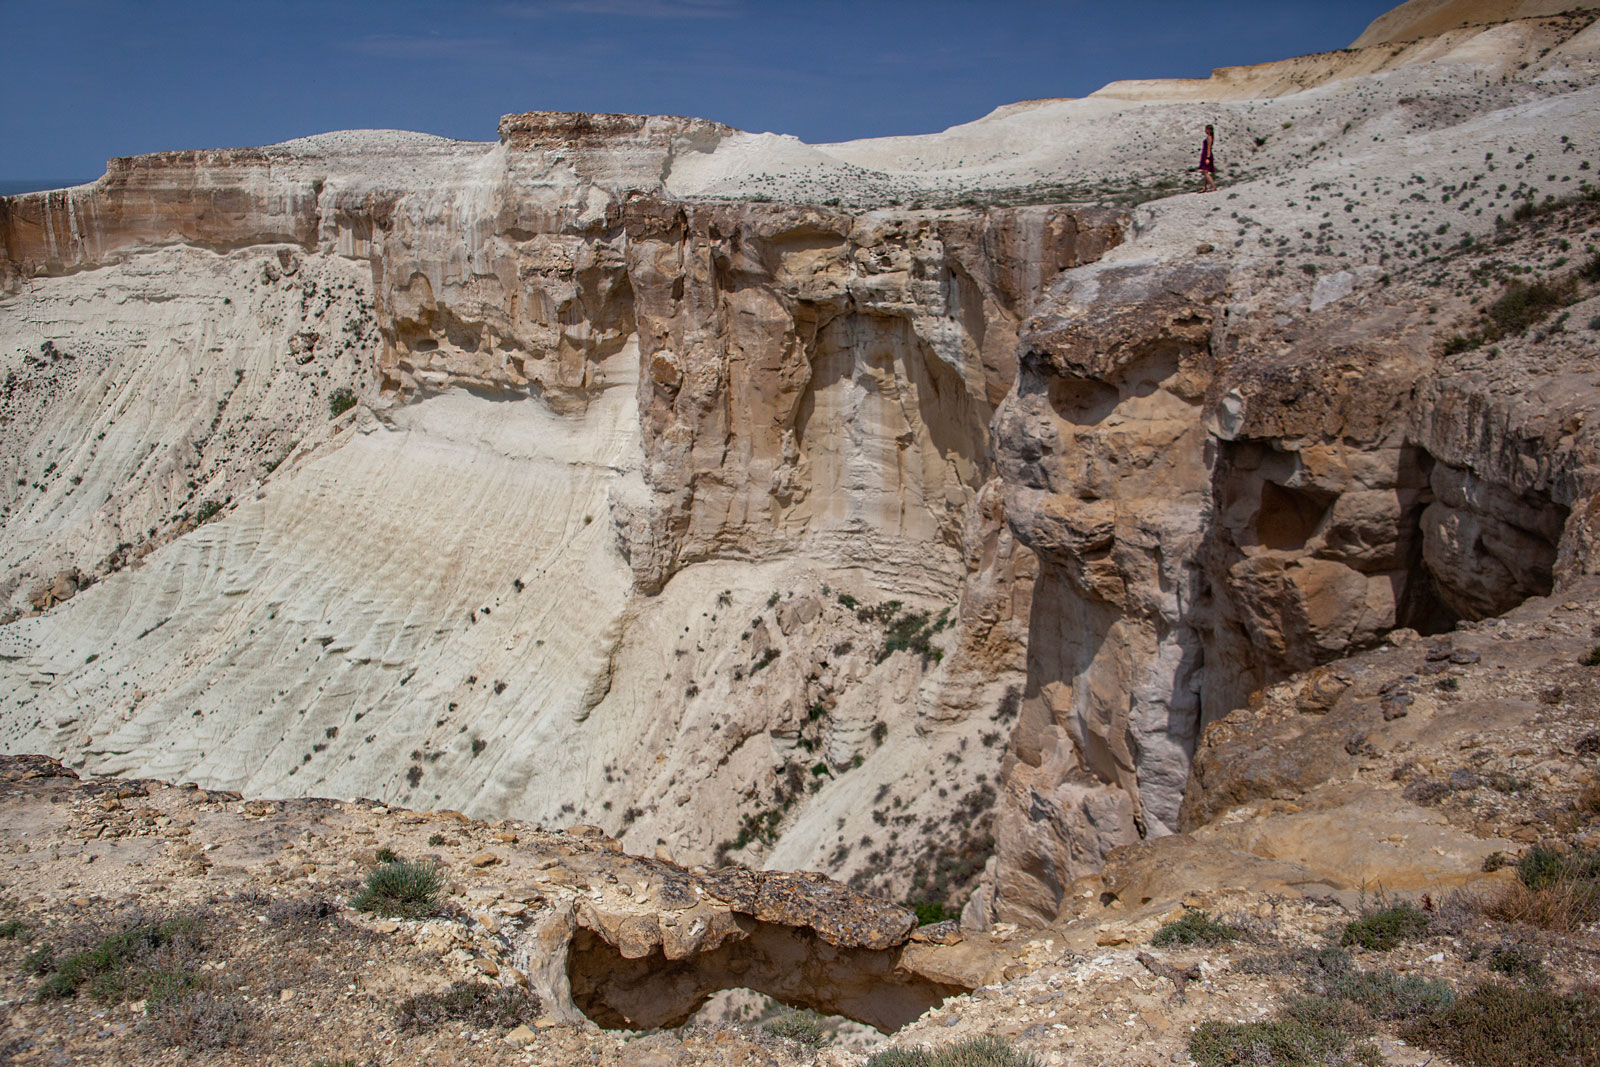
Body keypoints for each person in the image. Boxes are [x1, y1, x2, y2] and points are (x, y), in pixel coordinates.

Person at [1197, 124, 1217, 193]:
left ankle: (1213, 186)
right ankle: (1204, 187)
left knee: (1205, 172)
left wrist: (1207, 157)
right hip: (1205, 154)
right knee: (1205, 171)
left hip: (1206, 155)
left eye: (1206, 129)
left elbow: (1209, 148)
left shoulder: (1209, 137)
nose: (1205, 130)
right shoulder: (1210, 137)